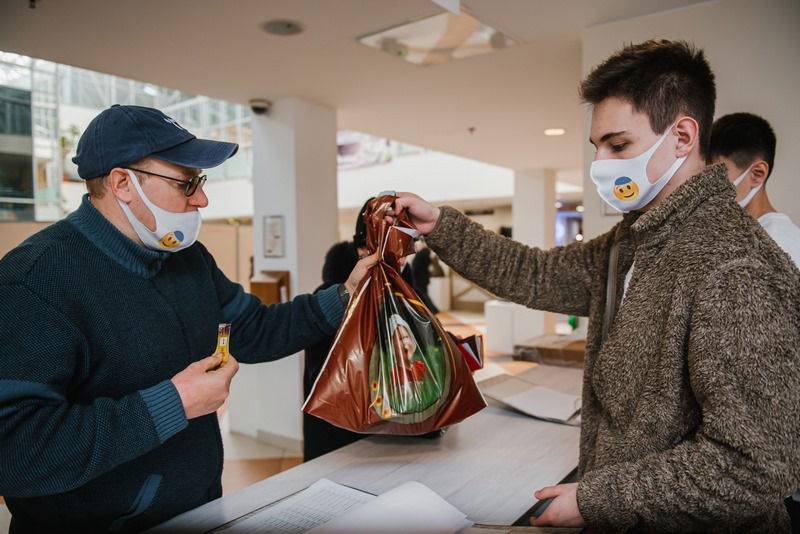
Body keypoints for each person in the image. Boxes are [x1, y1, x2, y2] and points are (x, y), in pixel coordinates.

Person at [391, 40, 800, 531]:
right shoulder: (633, 240)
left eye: (618, 144)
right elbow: (536, 274)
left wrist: (596, 499)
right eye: (597, 147)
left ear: (683, 135)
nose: (602, 162)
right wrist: (442, 227)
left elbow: (757, 466)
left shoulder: (737, 265)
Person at [0, 104, 377, 533]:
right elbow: (15, 451)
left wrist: (347, 295)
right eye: (187, 182)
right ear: (123, 183)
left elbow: (252, 331)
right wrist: (173, 403)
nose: (202, 198)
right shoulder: (32, 282)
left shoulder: (187, 258)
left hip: (200, 512)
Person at [709, 112, 800, 266]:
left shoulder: (780, 243)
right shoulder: (737, 235)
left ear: (757, 174)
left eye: (717, 174)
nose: (709, 185)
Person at [411, 237, 440, 314]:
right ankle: (430, 310)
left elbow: (415, 267)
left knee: (423, 295)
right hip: (423, 278)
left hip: (419, 278)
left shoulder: (422, 253)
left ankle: (432, 310)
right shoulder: (426, 253)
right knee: (423, 295)